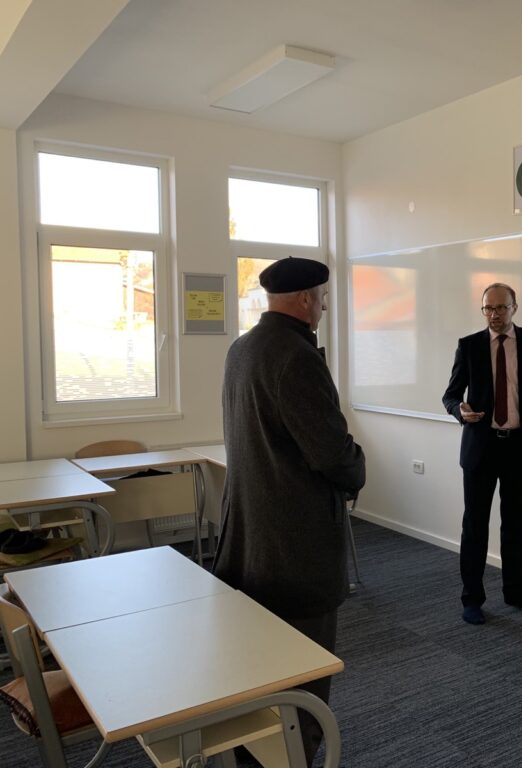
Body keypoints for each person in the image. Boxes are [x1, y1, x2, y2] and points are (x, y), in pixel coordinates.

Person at [214, 256, 365, 766]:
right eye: (322, 298)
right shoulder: (296, 356)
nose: (323, 307)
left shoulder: (242, 349)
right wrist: (358, 468)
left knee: (256, 669)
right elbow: (331, 452)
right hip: (295, 549)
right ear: (305, 299)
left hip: (250, 540)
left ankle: (250, 755)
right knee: (303, 680)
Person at [442, 283, 522, 625]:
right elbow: (451, 394)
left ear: (514, 307)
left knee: (514, 525)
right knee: (475, 525)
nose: (494, 314)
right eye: (488, 308)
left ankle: (515, 591)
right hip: (481, 447)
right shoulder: (469, 346)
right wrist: (458, 409)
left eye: (500, 308)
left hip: (519, 448)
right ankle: (472, 599)